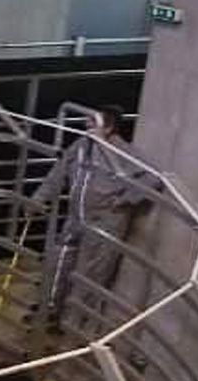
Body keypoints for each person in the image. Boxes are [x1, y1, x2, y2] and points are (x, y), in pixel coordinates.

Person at [30, 105, 162, 341]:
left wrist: (126, 200)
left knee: (92, 274)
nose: (86, 126)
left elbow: (153, 177)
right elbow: (59, 171)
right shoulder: (81, 146)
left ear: (109, 127)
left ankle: (74, 323)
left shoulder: (124, 152)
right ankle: (49, 308)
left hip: (106, 221)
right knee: (59, 260)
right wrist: (40, 197)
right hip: (76, 215)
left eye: (92, 122)